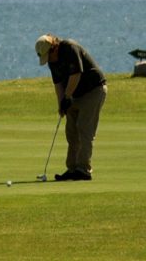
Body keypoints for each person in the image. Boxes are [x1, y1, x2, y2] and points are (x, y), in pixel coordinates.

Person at [35, 34, 107, 181]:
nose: (49, 61)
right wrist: (61, 103)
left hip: (93, 90)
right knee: (71, 132)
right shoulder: (51, 61)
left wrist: (67, 97)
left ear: (53, 48)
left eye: (48, 56)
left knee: (84, 129)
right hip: (74, 93)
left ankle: (83, 170)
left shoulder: (69, 48)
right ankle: (72, 168)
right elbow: (58, 84)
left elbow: (76, 75)